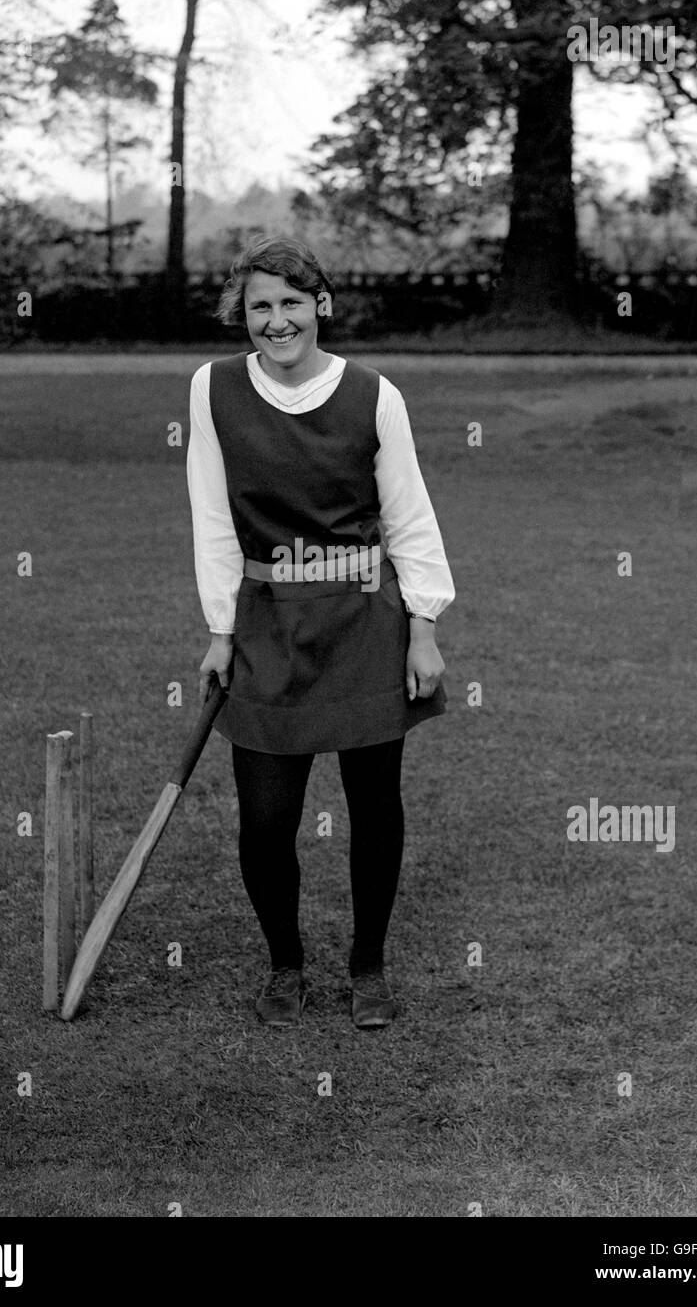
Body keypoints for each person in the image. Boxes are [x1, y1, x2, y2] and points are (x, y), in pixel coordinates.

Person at [186, 236, 454, 1029]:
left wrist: (424, 628)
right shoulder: (212, 389)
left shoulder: (375, 394)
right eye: (260, 306)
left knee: (375, 808)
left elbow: (408, 515)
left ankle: (367, 969)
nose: (276, 322)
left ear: (320, 306)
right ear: (244, 314)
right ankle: (284, 966)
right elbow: (211, 519)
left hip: (364, 619)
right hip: (268, 623)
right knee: (267, 819)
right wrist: (220, 630)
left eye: (291, 304)